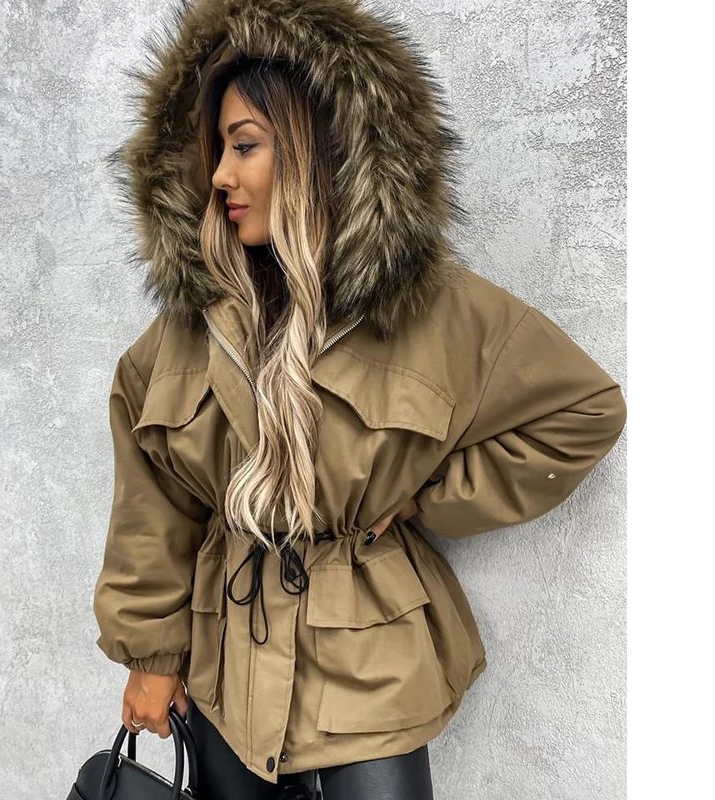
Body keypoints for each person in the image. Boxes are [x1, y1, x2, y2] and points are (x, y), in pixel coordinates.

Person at [92, 1, 628, 798]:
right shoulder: (187, 329)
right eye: (217, 151)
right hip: (224, 666)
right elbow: (153, 509)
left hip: (371, 666)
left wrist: (428, 498)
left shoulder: (435, 310)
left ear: (318, 151)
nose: (220, 176)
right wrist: (150, 658)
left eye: (245, 146)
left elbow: (581, 411)